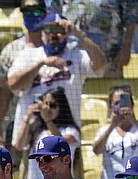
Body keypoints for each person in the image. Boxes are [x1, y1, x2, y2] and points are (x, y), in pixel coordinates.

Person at [8, 13, 106, 148]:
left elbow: (100, 65)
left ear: (67, 34)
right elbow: (13, 84)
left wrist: (79, 35)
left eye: (59, 31)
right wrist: (40, 64)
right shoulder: (29, 55)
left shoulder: (76, 55)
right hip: (31, 138)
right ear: (41, 33)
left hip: (66, 136)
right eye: (49, 30)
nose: (53, 35)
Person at [0, 0, 47, 148]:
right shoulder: (11, 51)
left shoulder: (55, 46)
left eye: (35, 12)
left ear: (44, 14)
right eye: (27, 13)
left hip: (53, 122)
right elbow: (4, 92)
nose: (30, 16)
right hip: (22, 126)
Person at [14, 87, 81, 179]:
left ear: (61, 107)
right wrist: (27, 120)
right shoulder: (36, 129)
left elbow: (60, 143)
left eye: (53, 105)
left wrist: (47, 120)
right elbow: (19, 145)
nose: (48, 109)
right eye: (46, 104)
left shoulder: (71, 130)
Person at [46, 0, 137, 75]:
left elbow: (131, 20)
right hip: (71, 62)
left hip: (109, 60)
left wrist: (126, 48)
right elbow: (53, 19)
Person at [92, 86, 138, 179]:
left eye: (124, 102)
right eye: (116, 103)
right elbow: (96, 150)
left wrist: (134, 121)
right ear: (110, 107)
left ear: (132, 105)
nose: (120, 107)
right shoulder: (104, 131)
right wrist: (112, 125)